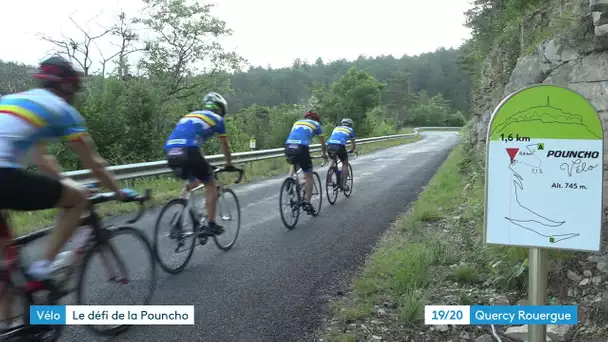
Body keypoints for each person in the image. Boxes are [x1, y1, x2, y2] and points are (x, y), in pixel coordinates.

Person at [0, 56, 126, 326]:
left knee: (6, 264)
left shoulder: (16, 101)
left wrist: (65, 183)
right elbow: (94, 163)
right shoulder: (62, 109)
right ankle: (43, 267)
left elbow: (41, 159)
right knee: (78, 199)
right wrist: (118, 192)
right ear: (68, 87)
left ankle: (11, 327)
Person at [164, 92, 234, 236]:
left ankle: (178, 220)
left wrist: (205, 163)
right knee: (210, 184)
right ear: (220, 109)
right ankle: (211, 224)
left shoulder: (191, 115)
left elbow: (195, 145)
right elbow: (225, 146)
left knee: (193, 183)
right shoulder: (218, 120)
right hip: (189, 151)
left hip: (171, 151)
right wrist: (228, 163)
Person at [284, 110, 327, 212]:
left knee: (295, 161)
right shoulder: (316, 124)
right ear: (316, 119)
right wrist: (324, 154)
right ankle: (307, 202)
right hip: (302, 148)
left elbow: (294, 136)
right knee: (309, 176)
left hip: (288, 146)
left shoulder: (297, 122)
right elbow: (322, 144)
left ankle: (289, 179)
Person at [327, 118, 356, 191]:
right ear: (350, 125)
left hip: (329, 145)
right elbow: (353, 145)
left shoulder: (336, 128)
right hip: (339, 146)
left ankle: (329, 179)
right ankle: (343, 184)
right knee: (345, 164)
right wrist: (352, 150)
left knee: (332, 160)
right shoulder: (350, 130)